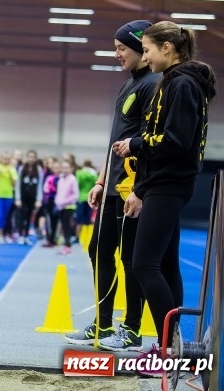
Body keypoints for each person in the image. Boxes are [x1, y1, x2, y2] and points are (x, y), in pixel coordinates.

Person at [112, 21, 216, 365]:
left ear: (167, 48)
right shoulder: (173, 81)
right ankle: (172, 344)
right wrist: (141, 186)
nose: (145, 58)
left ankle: (168, 346)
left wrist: (135, 145)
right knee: (167, 264)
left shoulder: (182, 84)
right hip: (161, 182)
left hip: (169, 183)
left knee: (144, 264)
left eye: (147, 51)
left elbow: (175, 141)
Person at [64, 20, 161, 350]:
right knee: (99, 250)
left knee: (131, 260)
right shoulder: (129, 85)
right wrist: (101, 180)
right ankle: (103, 324)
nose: (117, 54)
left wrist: (138, 189)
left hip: (132, 189)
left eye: (122, 48)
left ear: (140, 50)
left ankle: (132, 329)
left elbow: (148, 143)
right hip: (112, 187)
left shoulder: (153, 85)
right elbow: (117, 141)